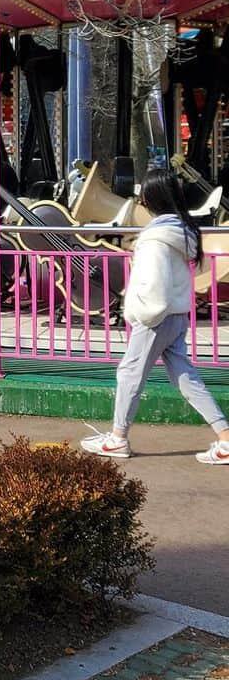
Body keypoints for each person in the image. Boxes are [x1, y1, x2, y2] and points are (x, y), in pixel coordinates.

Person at [81, 166, 229, 466]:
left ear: (151, 198)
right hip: (175, 315)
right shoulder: (182, 232)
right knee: (186, 378)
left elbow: (152, 283)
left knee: (130, 374)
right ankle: (225, 437)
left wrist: (141, 314)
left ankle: (118, 438)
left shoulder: (154, 238)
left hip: (155, 317)